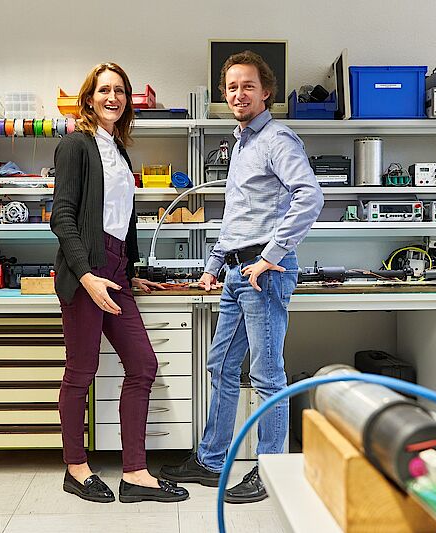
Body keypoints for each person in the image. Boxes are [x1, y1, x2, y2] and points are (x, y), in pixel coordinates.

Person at [161, 51, 324, 503]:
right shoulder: (241, 144)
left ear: (266, 91)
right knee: (221, 366)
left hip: (263, 275)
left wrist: (271, 255)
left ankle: (271, 471)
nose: (238, 94)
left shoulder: (277, 139)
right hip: (237, 273)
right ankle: (212, 459)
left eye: (248, 86)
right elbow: (238, 214)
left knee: (268, 376)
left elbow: (310, 197)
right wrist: (213, 266)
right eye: (231, 87)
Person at [51, 62, 188, 504]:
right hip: (85, 274)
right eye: (104, 90)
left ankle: (135, 473)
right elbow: (62, 217)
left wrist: (130, 271)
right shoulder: (76, 145)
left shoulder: (119, 151)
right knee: (81, 372)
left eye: (120, 91)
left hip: (115, 273)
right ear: (88, 98)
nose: (113, 97)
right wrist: (87, 276)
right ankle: (76, 468)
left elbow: (121, 220)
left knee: (143, 365)